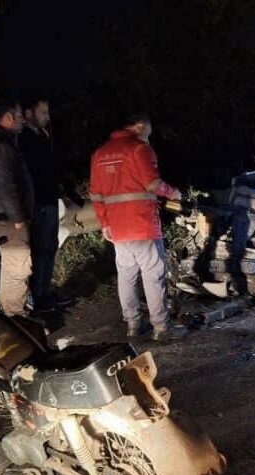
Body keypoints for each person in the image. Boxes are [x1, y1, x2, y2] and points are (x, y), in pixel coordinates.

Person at [89, 114, 186, 341]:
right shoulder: (139, 149)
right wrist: (175, 193)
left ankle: (133, 324)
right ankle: (161, 328)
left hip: (117, 227)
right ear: (140, 126)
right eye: (149, 130)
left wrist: (105, 223)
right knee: (153, 275)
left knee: (126, 275)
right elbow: (153, 184)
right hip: (142, 224)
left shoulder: (99, 153)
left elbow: (95, 194)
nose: (149, 136)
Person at [20, 95, 72, 312]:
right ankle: (37, 298)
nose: (47, 118)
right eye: (43, 113)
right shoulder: (23, 140)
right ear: (29, 113)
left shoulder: (43, 136)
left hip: (49, 200)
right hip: (38, 203)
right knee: (40, 251)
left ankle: (44, 294)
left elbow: (53, 168)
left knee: (48, 249)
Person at [0, 98, 34, 317]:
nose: (23, 120)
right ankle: (16, 317)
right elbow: (5, 184)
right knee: (18, 266)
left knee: (12, 266)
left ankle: (14, 315)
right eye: (18, 116)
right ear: (7, 118)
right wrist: (18, 217)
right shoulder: (0, 145)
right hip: (7, 219)